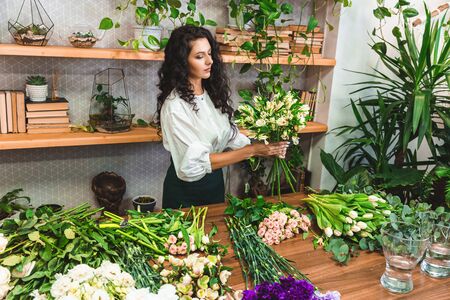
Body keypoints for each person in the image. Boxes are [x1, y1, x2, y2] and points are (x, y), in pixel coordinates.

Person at [156, 25, 288, 209]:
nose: (209, 61)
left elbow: (230, 136)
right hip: (184, 193)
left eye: (210, 53)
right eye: (199, 56)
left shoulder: (212, 95)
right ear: (182, 62)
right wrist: (252, 151)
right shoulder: (174, 106)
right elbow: (191, 166)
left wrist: (266, 147)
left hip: (215, 186)